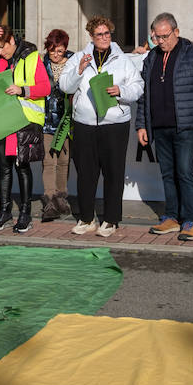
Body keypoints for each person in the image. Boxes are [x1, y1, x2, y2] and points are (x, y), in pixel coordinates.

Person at [60, 16, 143, 238]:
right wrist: (79, 70)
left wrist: (121, 91)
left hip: (115, 124)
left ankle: (111, 219)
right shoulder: (79, 57)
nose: (104, 37)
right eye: (100, 34)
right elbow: (65, 86)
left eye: (107, 33)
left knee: (113, 173)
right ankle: (86, 219)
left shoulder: (123, 60)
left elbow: (138, 87)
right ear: (91, 36)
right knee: (86, 173)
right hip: (85, 124)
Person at [136, 12, 193, 243]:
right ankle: (171, 216)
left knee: (185, 172)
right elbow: (144, 95)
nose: (161, 41)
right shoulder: (151, 58)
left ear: (176, 32)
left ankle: (190, 219)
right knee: (167, 174)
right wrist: (141, 125)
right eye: (157, 37)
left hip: (187, 126)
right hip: (159, 127)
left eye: (165, 36)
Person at [0, 26, 49, 232]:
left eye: (2, 47)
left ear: (12, 40)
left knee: (22, 167)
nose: (0, 52)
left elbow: (46, 87)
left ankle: (25, 214)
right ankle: (4, 212)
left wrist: (22, 90)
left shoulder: (31, 57)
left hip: (22, 121)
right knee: (3, 167)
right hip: (0, 119)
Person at [40, 28, 74, 221]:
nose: (56, 54)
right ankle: (50, 200)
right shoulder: (41, 63)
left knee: (63, 161)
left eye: (59, 51)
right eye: (52, 50)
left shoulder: (74, 62)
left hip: (67, 122)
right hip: (46, 121)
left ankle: (62, 197)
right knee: (49, 161)